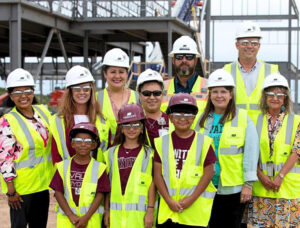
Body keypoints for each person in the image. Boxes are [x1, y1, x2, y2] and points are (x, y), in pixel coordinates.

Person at [194, 69, 259, 228]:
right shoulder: (201, 118)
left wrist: (248, 184)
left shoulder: (243, 117)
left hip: (233, 188)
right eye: (215, 91)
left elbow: (251, 152)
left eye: (224, 91)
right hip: (206, 185)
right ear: (209, 94)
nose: (219, 95)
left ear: (231, 94)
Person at [245, 72, 300, 227]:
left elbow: (297, 151)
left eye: (279, 94)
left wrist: (280, 176)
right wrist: (260, 176)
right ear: (265, 97)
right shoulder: (253, 120)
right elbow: (247, 151)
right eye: (270, 94)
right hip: (260, 188)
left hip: (288, 190)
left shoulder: (297, 120)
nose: (275, 98)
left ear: (285, 98)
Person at [154, 93, 217, 227]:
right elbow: (157, 175)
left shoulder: (204, 142)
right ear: (170, 117)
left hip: (194, 214)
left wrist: (191, 199)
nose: (183, 118)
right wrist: (168, 200)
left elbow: (209, 172)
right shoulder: (161, 143)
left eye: (188, 114)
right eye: (177, 115)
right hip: (168, 212)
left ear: (194, 117)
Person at [0, 68, 53, 228]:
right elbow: (4, 158)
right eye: (17, 92)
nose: (23, 96)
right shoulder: (7, 121)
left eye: (27, 91)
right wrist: (11, 192)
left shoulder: (43, 112)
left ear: (33, 91)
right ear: (10, 95)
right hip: (21, 190)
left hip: (43, 185)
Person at [103, 104, 155, 228]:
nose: (131, 129)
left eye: (136, 124)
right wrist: (107, 210)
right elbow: (107, 186)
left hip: (140, 217)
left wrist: (150, 211)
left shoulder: (149, 154)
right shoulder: (110, 153)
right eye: (127, 125)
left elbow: (152, 184)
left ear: (142, 127)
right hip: (116, 216)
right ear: (121, 128)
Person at [50, 122, 110, 227]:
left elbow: (100, 195)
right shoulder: (62, 166)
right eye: (78, 141)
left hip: (90, 221)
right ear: (72, 144)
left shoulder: (100, 168)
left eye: (87, 141)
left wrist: (86, 218)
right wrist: (70, 215)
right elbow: (58, 192)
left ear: (93, 145)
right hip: (67, 221)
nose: (83, 144)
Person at [50, 65, 109, 164]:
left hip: (96, 176)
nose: (82, 92)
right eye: (77, 89)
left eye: (86, 88)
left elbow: (107, 153)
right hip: (68, 176)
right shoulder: (58, 122)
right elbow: (56, 156)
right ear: (70, 91)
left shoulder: (102, 120)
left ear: (91, 90)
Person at [224, 21, 278, 121]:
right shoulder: (226, 72)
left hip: (263, 130)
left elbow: (282, 103)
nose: (249, 46)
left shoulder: (272, 72)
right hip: (235, 130)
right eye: (245, 43)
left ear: (259, 46)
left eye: (254, 43)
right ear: (237, 45)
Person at [97, 48, 139, 145]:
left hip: (131, 155)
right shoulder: (96, 98)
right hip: (103, 156)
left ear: (127, 73)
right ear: (105, 74)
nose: (117, 76)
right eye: (113, 72)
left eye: (121, 72)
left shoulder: (137, 97)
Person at [161, 35, 208, 113]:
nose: (184, 60)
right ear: (173, 60)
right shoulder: (161, 89)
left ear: (195, 60)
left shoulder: (209, 88)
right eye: (179, 57)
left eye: (189, 57)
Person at [136, 68, 169, 147]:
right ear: (140, 95)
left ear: (162, 94)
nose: (152, 97)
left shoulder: (172, 121)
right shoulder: (133, 122)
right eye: (146, 93)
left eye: (156, 93)